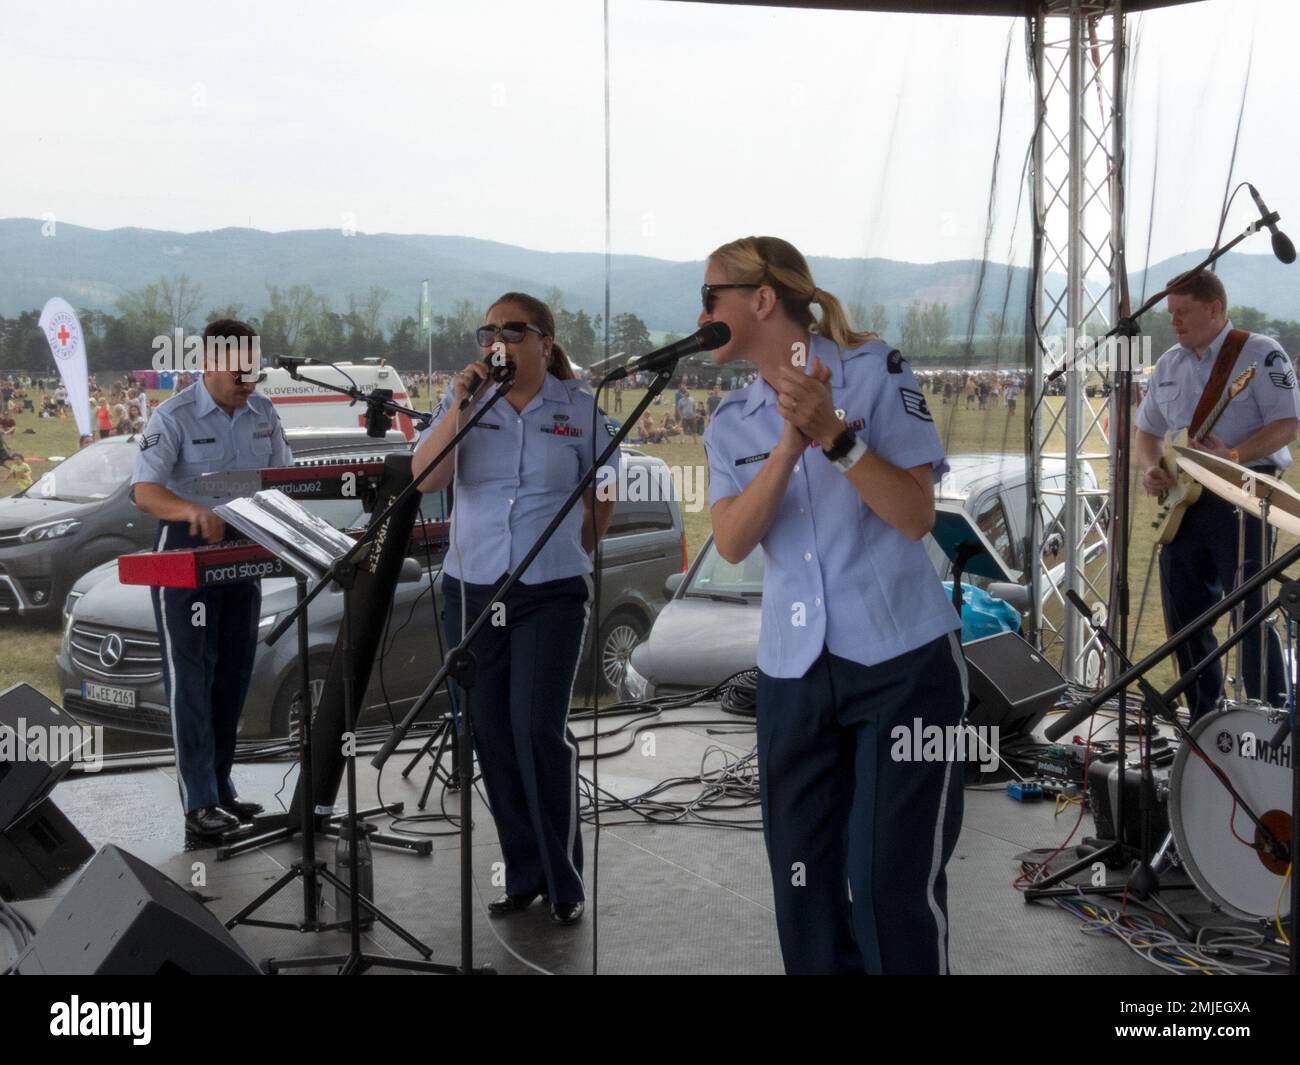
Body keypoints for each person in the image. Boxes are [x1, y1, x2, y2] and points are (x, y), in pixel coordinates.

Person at [700, 236, 966, 975]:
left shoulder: (876, 369)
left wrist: (835, 437)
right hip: (793, 674)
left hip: (901, 661)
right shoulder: (730, 420)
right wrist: (786, 448)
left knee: (888, 887)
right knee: (804, 891)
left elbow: (915, 515)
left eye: (711, 295)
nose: (702, 312)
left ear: (759, 300)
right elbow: (730, 541)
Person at [413, 291, 619, 926]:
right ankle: (524, 874)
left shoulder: (579, 412)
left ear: (544, 343)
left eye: (512, 329)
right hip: (472, 589)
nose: (496, 340)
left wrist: (571, 547)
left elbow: (604, 491)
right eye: (488, 331)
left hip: (550, 592)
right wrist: (459, 406)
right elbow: (425, 480)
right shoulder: (468, 406)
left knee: (535, 730)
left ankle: (564, 880)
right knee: (491, 737)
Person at [131, 319, 292, 838]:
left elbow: (281, 476)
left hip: (243, 553)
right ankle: (198, 802)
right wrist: (189, 512)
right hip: (185, 557)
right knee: (192, 679)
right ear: (208, 362)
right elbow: (145, 492)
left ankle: (222, 789)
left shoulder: (264, 412)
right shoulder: (172, 415)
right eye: (238, 369)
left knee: (234, 675)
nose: (249, 378)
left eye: (255, 367)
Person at [1137, 271, 1300, 721]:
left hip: (1243, 499)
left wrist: (1234, 453)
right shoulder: (1168, 364)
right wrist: (1151, 467)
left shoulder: (1260, 354)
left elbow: (1287, 423)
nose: (1175, 322)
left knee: (1247, 613)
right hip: (1183, 504)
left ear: (1215, 309)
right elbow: (1146, 431)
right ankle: (1206, 718)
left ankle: (1274, 717)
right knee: (1183, 617)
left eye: (1183, 312)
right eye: (1171, 314)